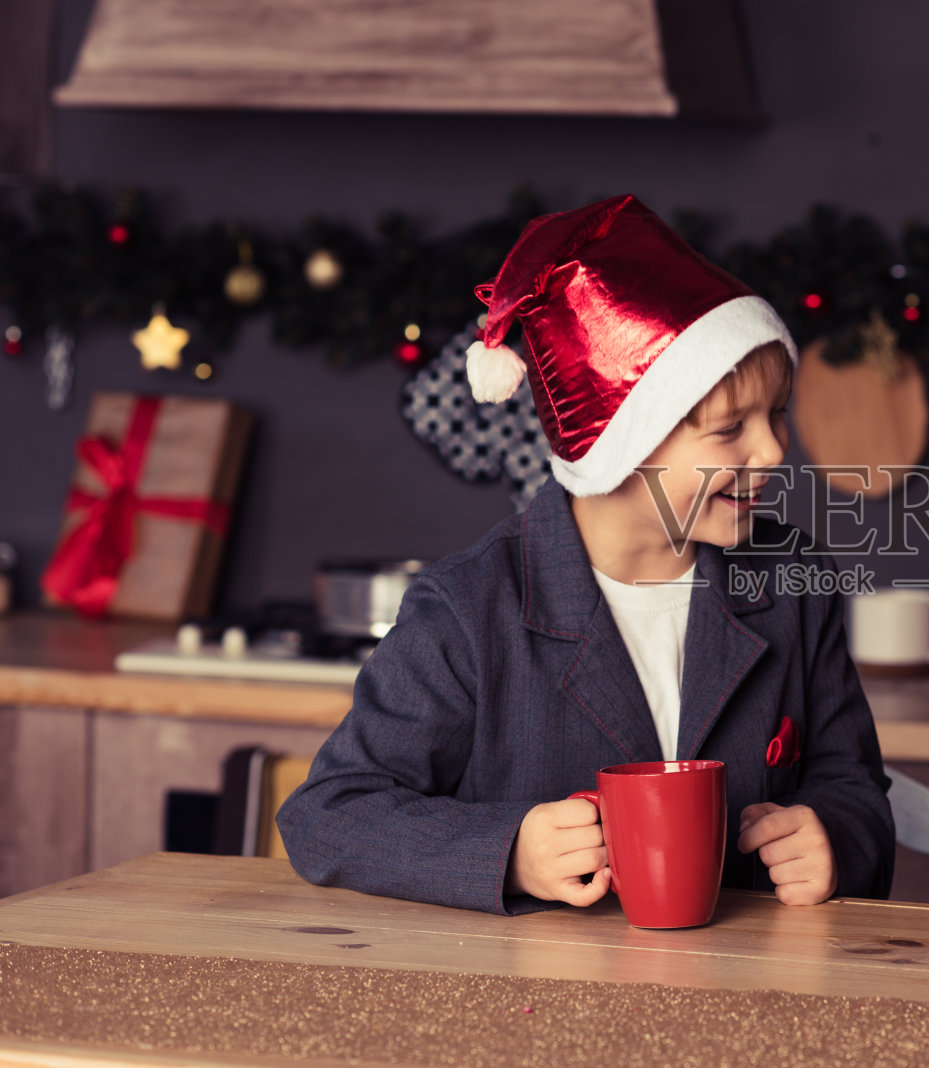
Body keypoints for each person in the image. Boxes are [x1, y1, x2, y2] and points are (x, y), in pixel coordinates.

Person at [278, 195, 894, 915]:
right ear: (622, 443)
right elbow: (328, 814)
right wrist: (508, 852)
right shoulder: (470, 608)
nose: (773, 450)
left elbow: (853, 787)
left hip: (746, 971)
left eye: (776, 414)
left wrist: (835, 839)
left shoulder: (794, 584)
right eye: (730, 429)